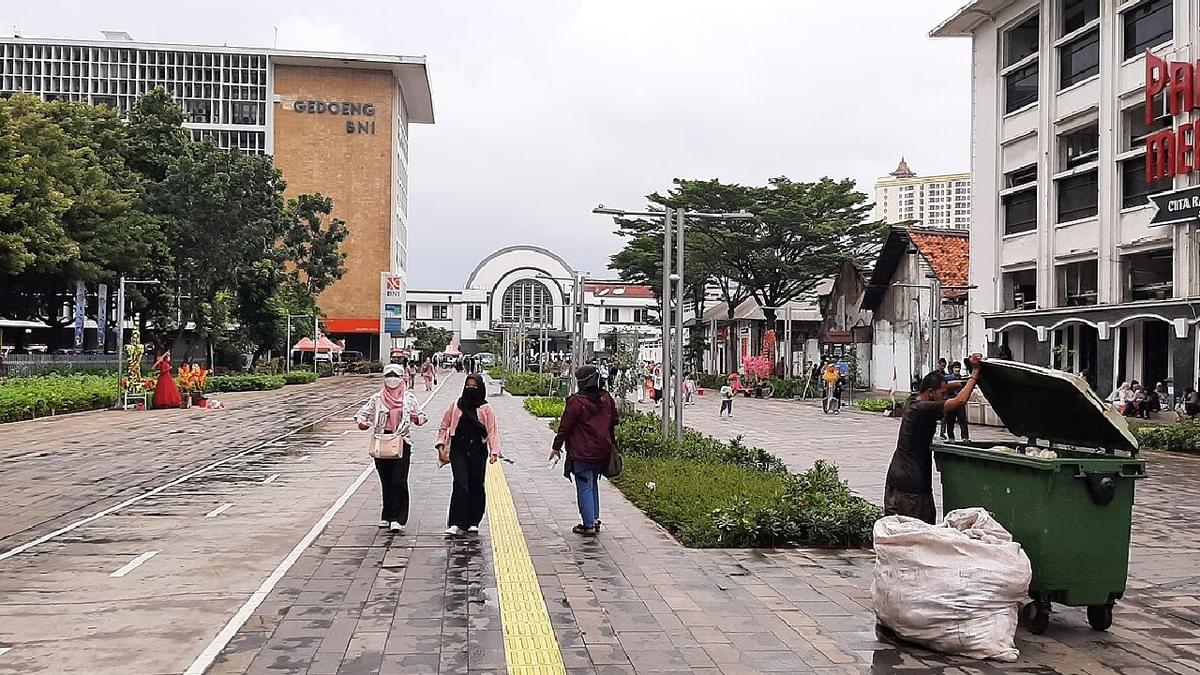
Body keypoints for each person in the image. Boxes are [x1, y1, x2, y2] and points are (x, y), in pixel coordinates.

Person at [884, 354, 982, 524]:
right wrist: (976, 372)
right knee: (919, 532)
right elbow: (959, 401)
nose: (945, 396)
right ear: (930, 393)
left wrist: (967, 381)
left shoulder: (914, 399)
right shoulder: (923, 408)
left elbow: (947, 386)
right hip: (912, 485)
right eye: (943, 394)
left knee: (897, 532)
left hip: (895, 479)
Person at [355, 364, 428, 533]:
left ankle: (399, 518)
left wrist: (417, 419)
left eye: (396, 375)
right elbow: (361, 414)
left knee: (399, 480)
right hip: (382, 442)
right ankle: (387, 515)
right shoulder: (377, 398)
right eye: (389, 375)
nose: (392, 379)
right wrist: (362, 423)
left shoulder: (408, 398)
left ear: (402, 377)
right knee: (386, 480)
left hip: (401, 442)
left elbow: (422, 416)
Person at [550, 365, 618, 536]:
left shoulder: (576, 401)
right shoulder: (607, 399)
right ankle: (594, 519)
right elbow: (614, 420)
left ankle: (588, 525)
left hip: (582, 451)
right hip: (603, 449)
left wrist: (556, 447)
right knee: (593, 482)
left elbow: (565, 426)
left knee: (584, 485)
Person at [436, 374, 502, 536]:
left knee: (476, 484)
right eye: (468, 385)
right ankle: (455, 522)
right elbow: (444, 426)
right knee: (460, 484)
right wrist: (441, 447)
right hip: (459, 449)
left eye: (474, 386)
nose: (471, 389)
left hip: (478, 450)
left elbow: (492, 431)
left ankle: (473, 520)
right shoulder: (456, 406)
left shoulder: (486, 408)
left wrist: (494, 451)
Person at [941, 361, 971, 441]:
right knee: (950, 420)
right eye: (956, 368)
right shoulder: (948, 378)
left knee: (962, 420)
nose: (957, 369)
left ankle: (965, 437)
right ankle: (951, 437)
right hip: (951, 401)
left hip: (960, 402)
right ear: (953, 369)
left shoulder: (962, 378)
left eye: (958, 368)